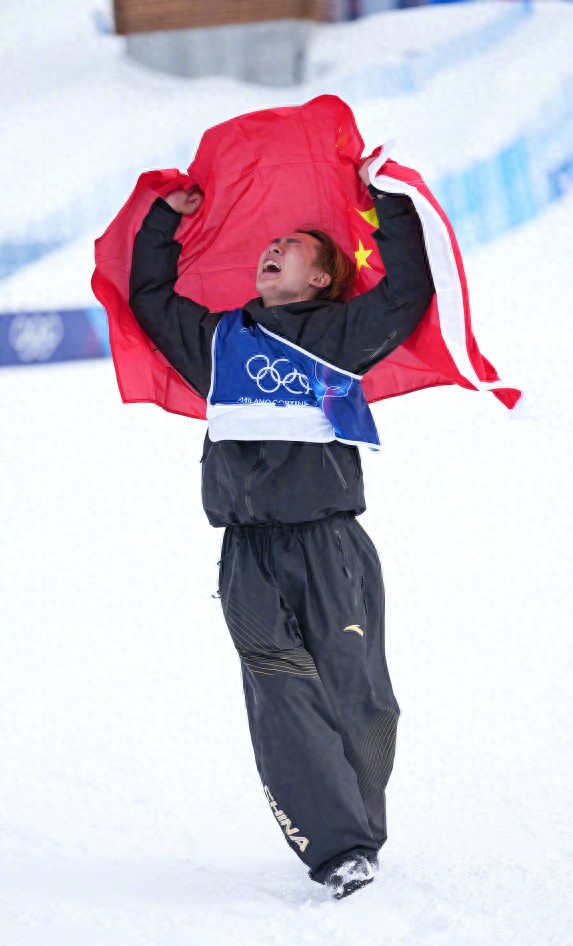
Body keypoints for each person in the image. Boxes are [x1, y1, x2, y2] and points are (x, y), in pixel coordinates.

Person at [129, 157, 434, 899]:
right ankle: (337, 849)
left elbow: (407, 293)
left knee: (359, 697)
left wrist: (385, 203)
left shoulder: (341, 332)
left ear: (323, 278)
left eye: (293, 244)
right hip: (250, 555)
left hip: (333, 547)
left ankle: (360, 819)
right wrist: (166, 219)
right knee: (283, 695)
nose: (274, 248)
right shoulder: (219, 341)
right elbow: (148, 297)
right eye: (270, 244)